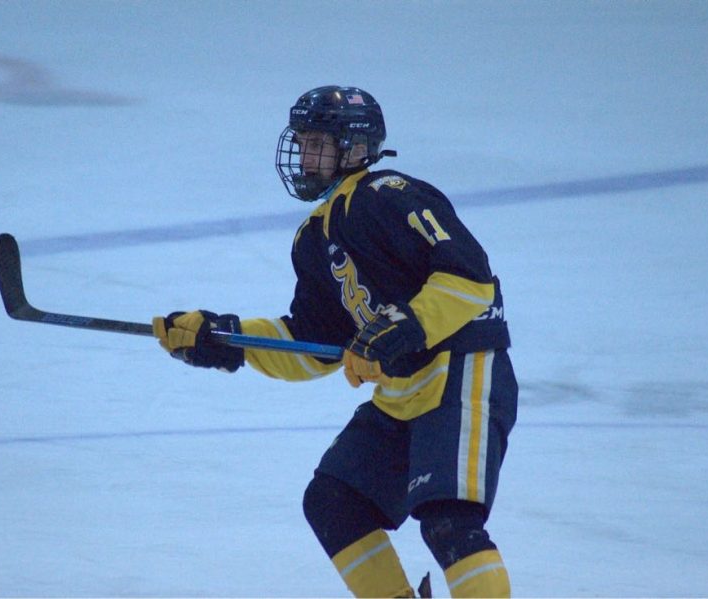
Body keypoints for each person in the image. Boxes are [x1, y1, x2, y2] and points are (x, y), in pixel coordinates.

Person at [153, 85, 518, 598]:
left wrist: (404, 327)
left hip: (462, 372)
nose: (305, 156)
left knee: (447, 520)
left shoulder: (387, 195)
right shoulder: (313, 237)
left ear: (355, 147)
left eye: (317, 143)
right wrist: (227, 339)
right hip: (402, 392)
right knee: (334, 501)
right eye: (301, 143)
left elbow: (470, 279)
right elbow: (312, 342)